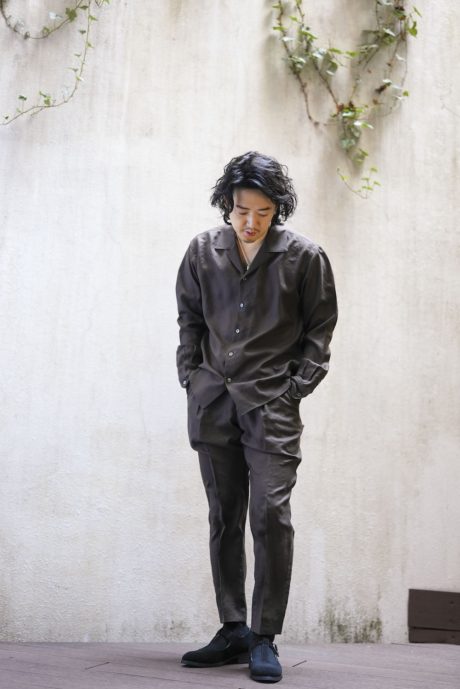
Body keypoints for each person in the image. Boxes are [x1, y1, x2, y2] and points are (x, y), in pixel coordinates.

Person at [175, 151, 338, 683]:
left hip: (271, 406)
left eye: (263, 212)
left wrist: (294, 391)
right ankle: (233, 629)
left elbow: (319, 332)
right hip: (213, 403)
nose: (251, 222)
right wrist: (190, 376)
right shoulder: (202, 251)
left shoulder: (305, 258)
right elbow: (190, 318)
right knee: (224, 516)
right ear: (228, 204)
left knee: (270, 515)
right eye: (242, 210)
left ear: (277, 210)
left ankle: (265, 637)